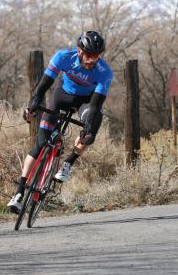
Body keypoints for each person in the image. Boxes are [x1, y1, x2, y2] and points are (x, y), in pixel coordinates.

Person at [7, 31, 113, 214]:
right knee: (40, 144)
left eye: (96, 56)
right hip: (62, 96)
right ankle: (19, 193)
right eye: (89, 55)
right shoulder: (63, 57)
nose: (92, 60)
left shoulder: (104, 72)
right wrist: (33, 105)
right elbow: (43, 86)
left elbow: (95, 105)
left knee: (91, 127)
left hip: (86, 102)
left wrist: (88, 124)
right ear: (79, 51)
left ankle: (68, 163)